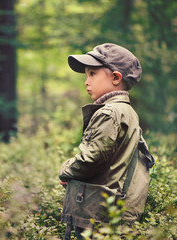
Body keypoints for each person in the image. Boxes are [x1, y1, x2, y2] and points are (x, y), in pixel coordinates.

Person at [59, 43, 154, 239]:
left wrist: (66, 170)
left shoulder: (110, 113)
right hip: (110, 213)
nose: (86, 81)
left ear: (116, 78)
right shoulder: (126, 111)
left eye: (92, 74)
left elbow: (92, 158)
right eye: (86, 75)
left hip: (99, 217)